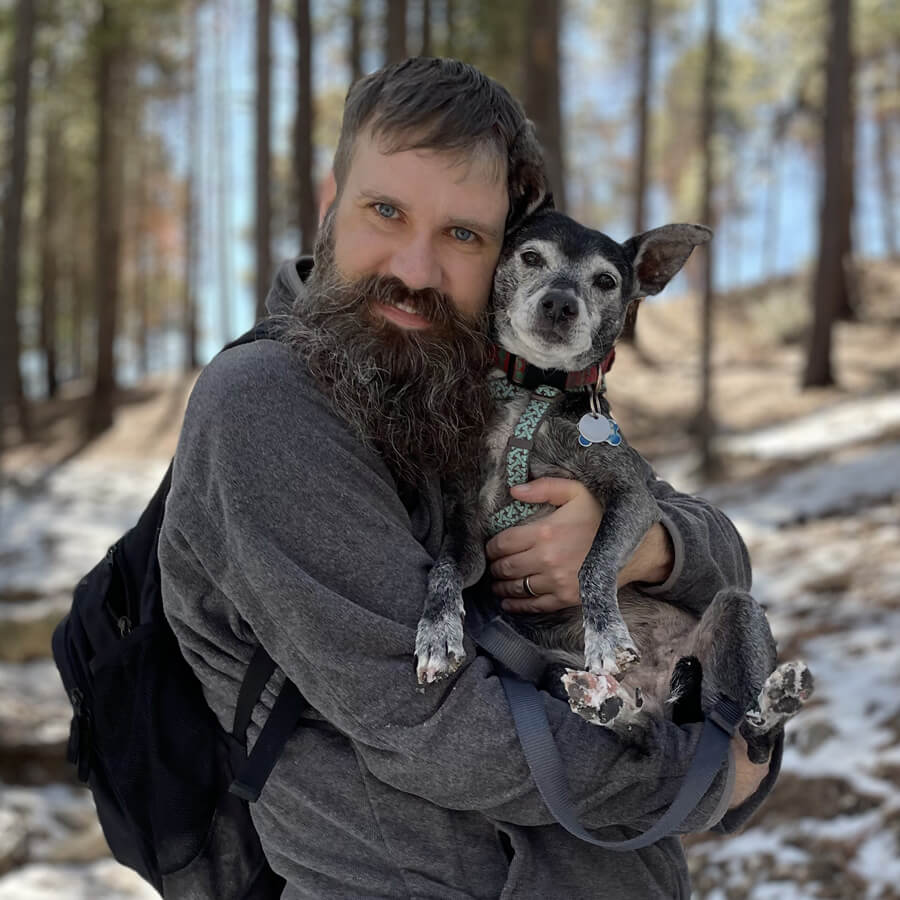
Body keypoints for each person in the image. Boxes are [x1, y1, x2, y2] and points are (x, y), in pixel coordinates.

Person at [159, 57, 779, 900]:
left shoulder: (480, 379)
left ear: (502, 255)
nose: (415, 269)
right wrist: (711, 774)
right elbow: (427, 720)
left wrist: (647, 550)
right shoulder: (266, 404)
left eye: (462, 235)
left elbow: (722, 561)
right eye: (386, 211)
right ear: (330, 200)